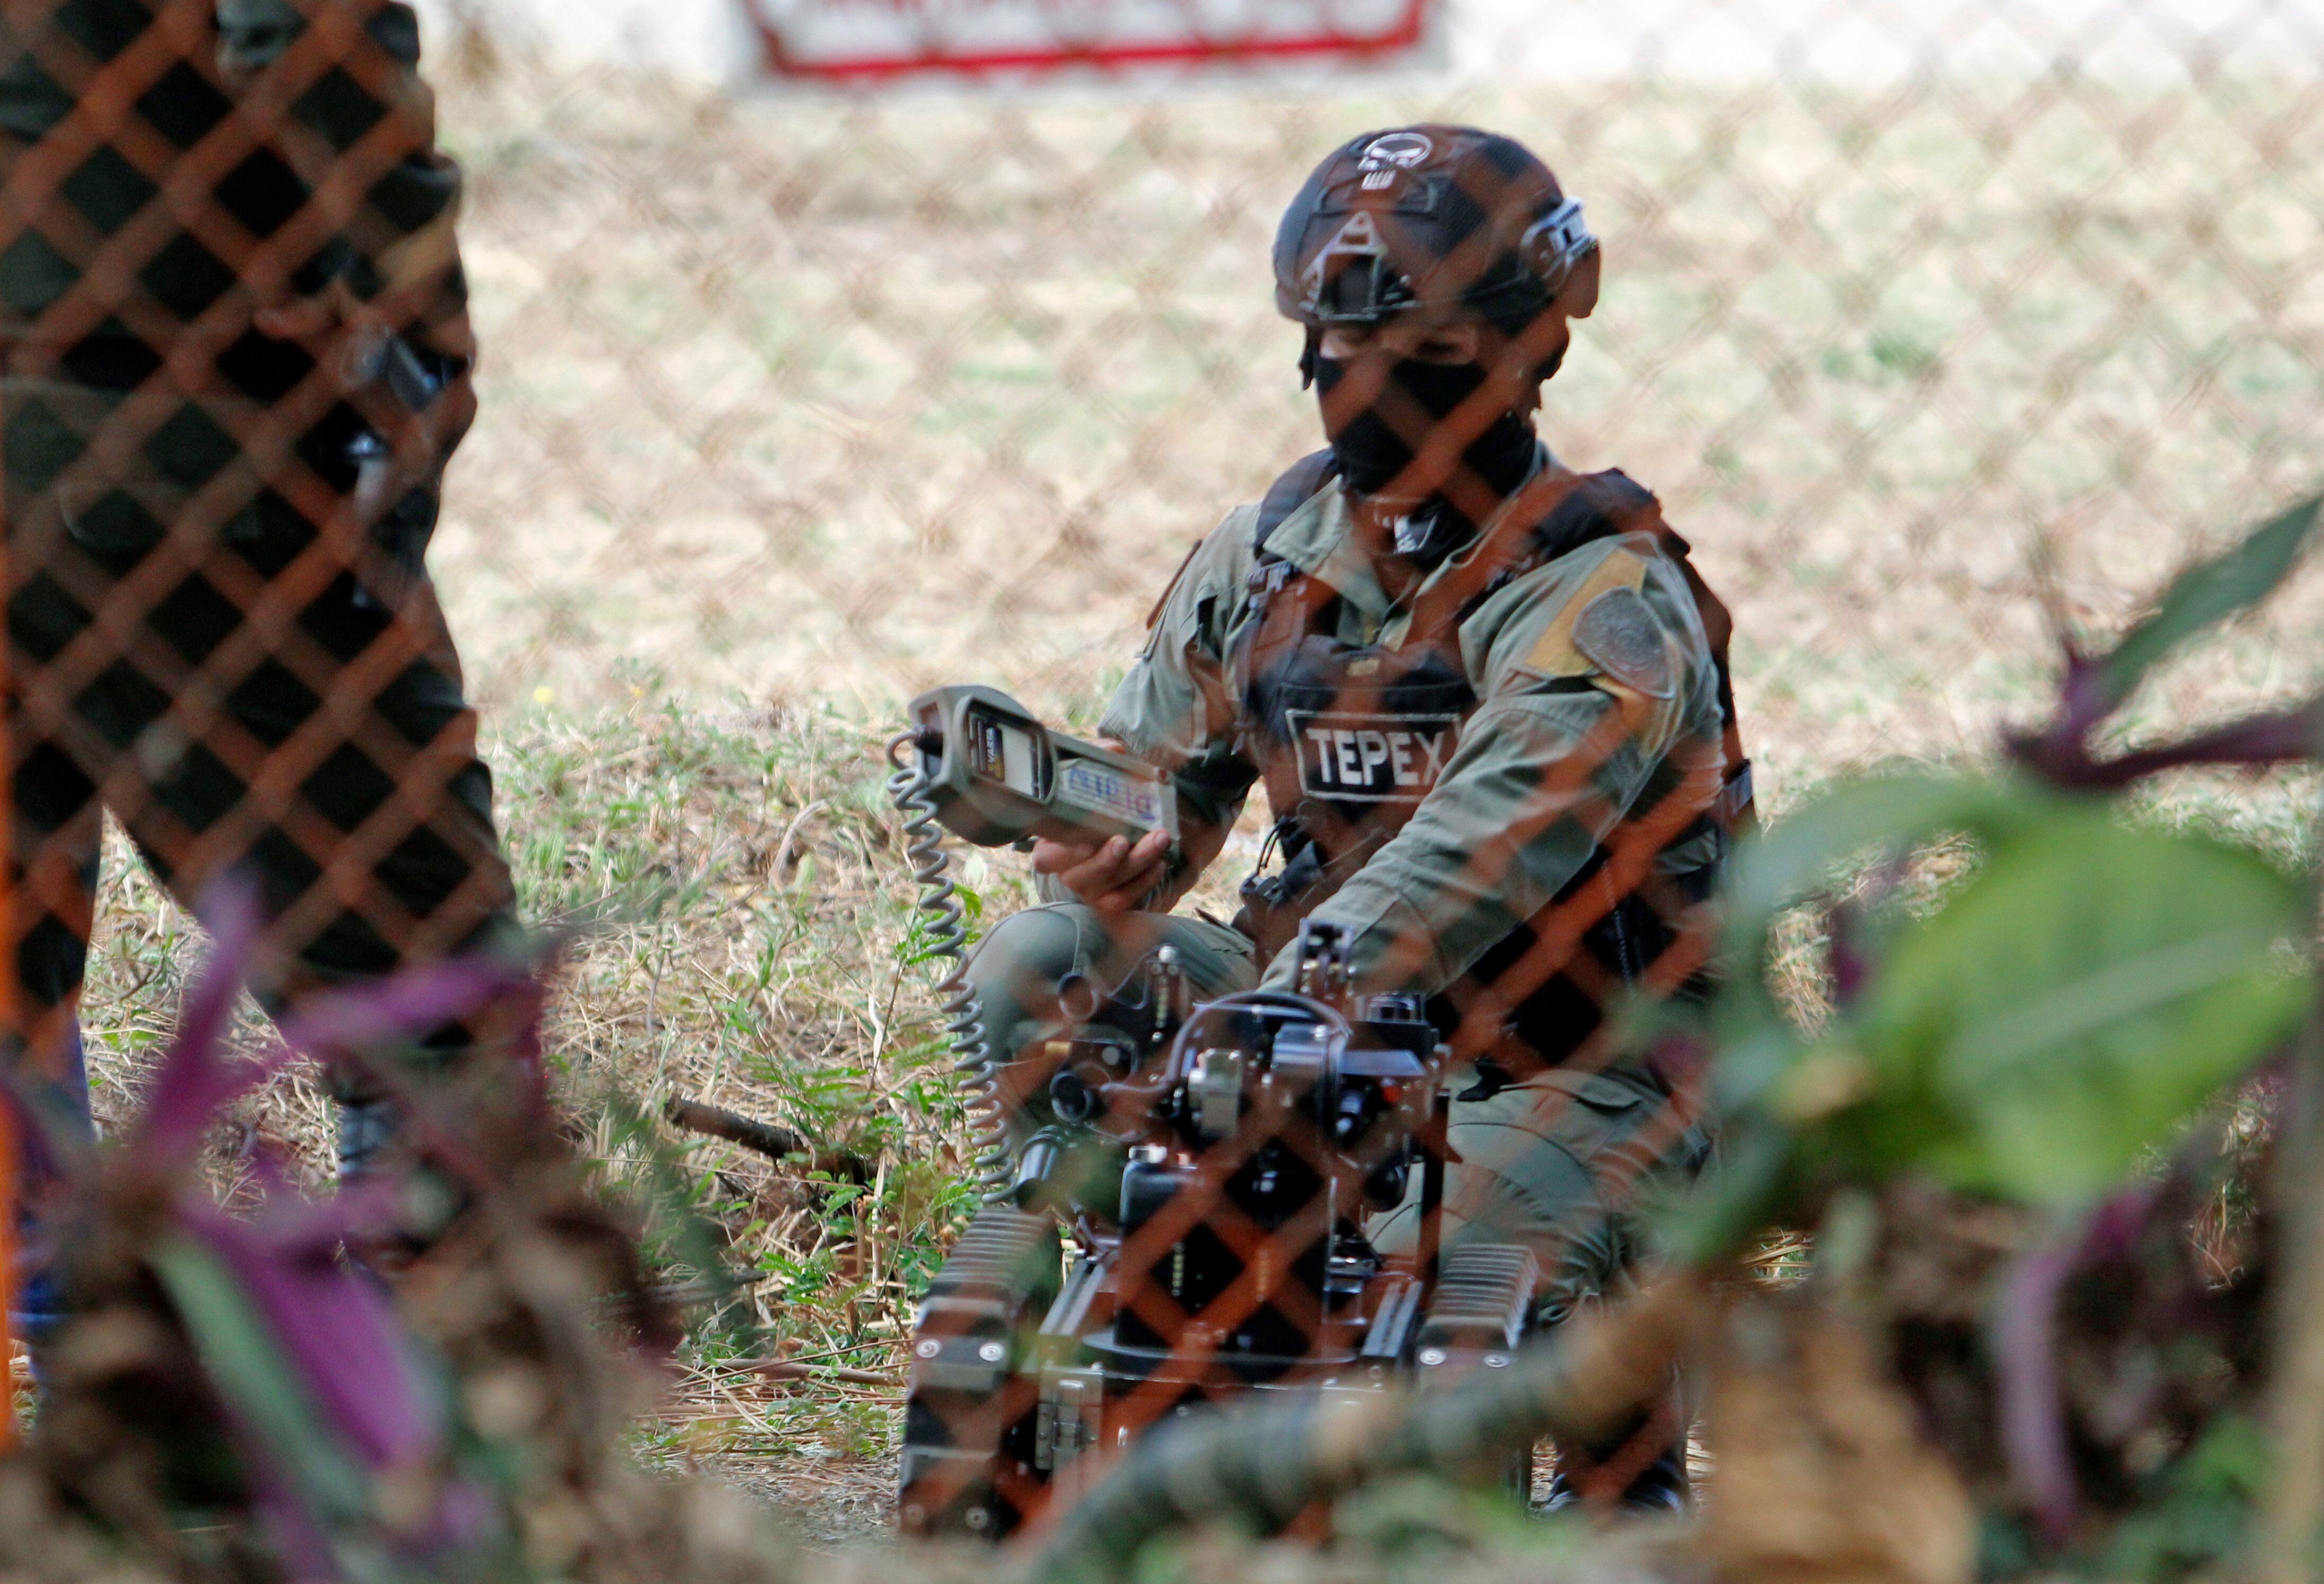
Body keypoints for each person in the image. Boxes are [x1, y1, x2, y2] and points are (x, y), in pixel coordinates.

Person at [965, 125, 1752, 1511]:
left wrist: (1293, 1004)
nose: (1358, 389)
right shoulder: (1268, 553)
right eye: (1330, 351)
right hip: (1318, 1020)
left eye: (1416, 358)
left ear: (1531, 352)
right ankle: (1152, 1313)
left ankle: (1581, 1433)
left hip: (1582, 1062)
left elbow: (1483, 849)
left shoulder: (1603, 596)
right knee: (1037, 960)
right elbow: (1159, 795)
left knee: (1429, 1300)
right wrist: (1074, 816)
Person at [0, 0, 516, 1237]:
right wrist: (414, 322)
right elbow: (305, 26)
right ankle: (421, 1410)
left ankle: (72, 1393)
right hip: (153, 427)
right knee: (431, 981)